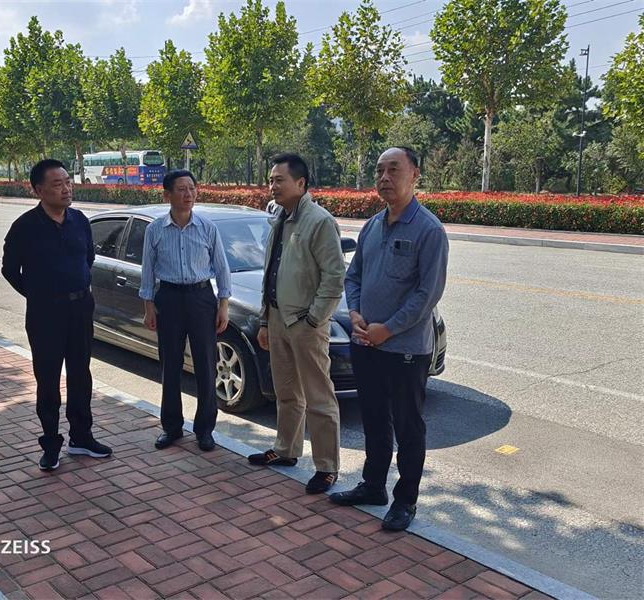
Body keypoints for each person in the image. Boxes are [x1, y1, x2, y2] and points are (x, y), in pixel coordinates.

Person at [331, 147, 448, 531]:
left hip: (406, 350)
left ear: (415, 174)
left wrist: (389, 328)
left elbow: (427, 294)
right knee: (374, 418)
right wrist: (356, 313)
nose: (384, 177)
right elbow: (354, 276)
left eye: (393, 170)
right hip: (366, 343)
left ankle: (405, 501)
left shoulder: (429, 230)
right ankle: (373, 485)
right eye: (379, 170)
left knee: (408, 426)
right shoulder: (372, 226)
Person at [1, 159, 112, 471]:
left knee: (81, 375)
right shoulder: (25, 227)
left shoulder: (79, 220)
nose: (66, 189)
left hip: (80, 308)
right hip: (45, 313)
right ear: (39, 190)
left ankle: (82, 437)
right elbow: (10, 270)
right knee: (48, 380)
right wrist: (39, 295)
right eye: (57, 184)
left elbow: (88, 259)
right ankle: (51, 444)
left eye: (68, 182)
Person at [248, 153, 345, 494]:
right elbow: (270, 273)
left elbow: (334, 277)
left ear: (300, 183)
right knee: (286, 391)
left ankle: (327, 467)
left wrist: (314, 318)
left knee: (319, 397)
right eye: (270, 180)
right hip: (277, 318)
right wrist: (265, 320)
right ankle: (286, 449)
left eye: (279, 180)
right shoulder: (280, 218)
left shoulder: (319, 221)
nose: (272, 186)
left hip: (305, 323)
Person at [140, 170, 232, 452]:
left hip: (201, 298)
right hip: (168, 299)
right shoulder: (155, 229)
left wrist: (223, 305)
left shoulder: (207, 227)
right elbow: (148, 270)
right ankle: (171, 427)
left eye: (191, 188)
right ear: (167, 195)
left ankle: (205, 429)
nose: (188, 194)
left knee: (205, 364)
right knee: (170, 364)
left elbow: (222, 268)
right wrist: (149, 307)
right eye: (181, 189)